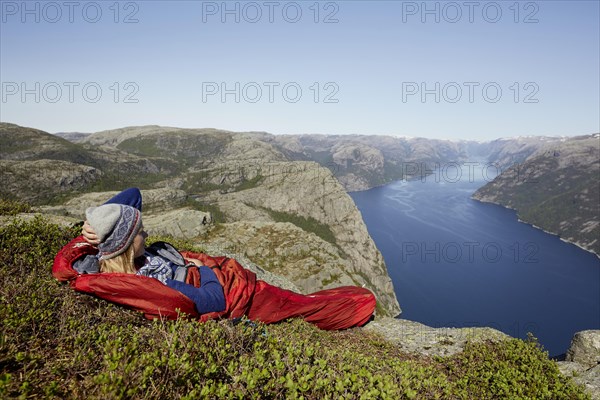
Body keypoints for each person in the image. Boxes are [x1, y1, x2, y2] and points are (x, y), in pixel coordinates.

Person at [72, 188, 377, 330]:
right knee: (305, 307)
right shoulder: (153, 285)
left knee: (297, 299)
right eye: (140, 231)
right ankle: (359, 306)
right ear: (126, 242)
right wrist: (203, 269)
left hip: (223, 275)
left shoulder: (100, 254)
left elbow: (133, 194)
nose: (146, 232)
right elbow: (213, 299)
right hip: (238, 293)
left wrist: (97, 219)